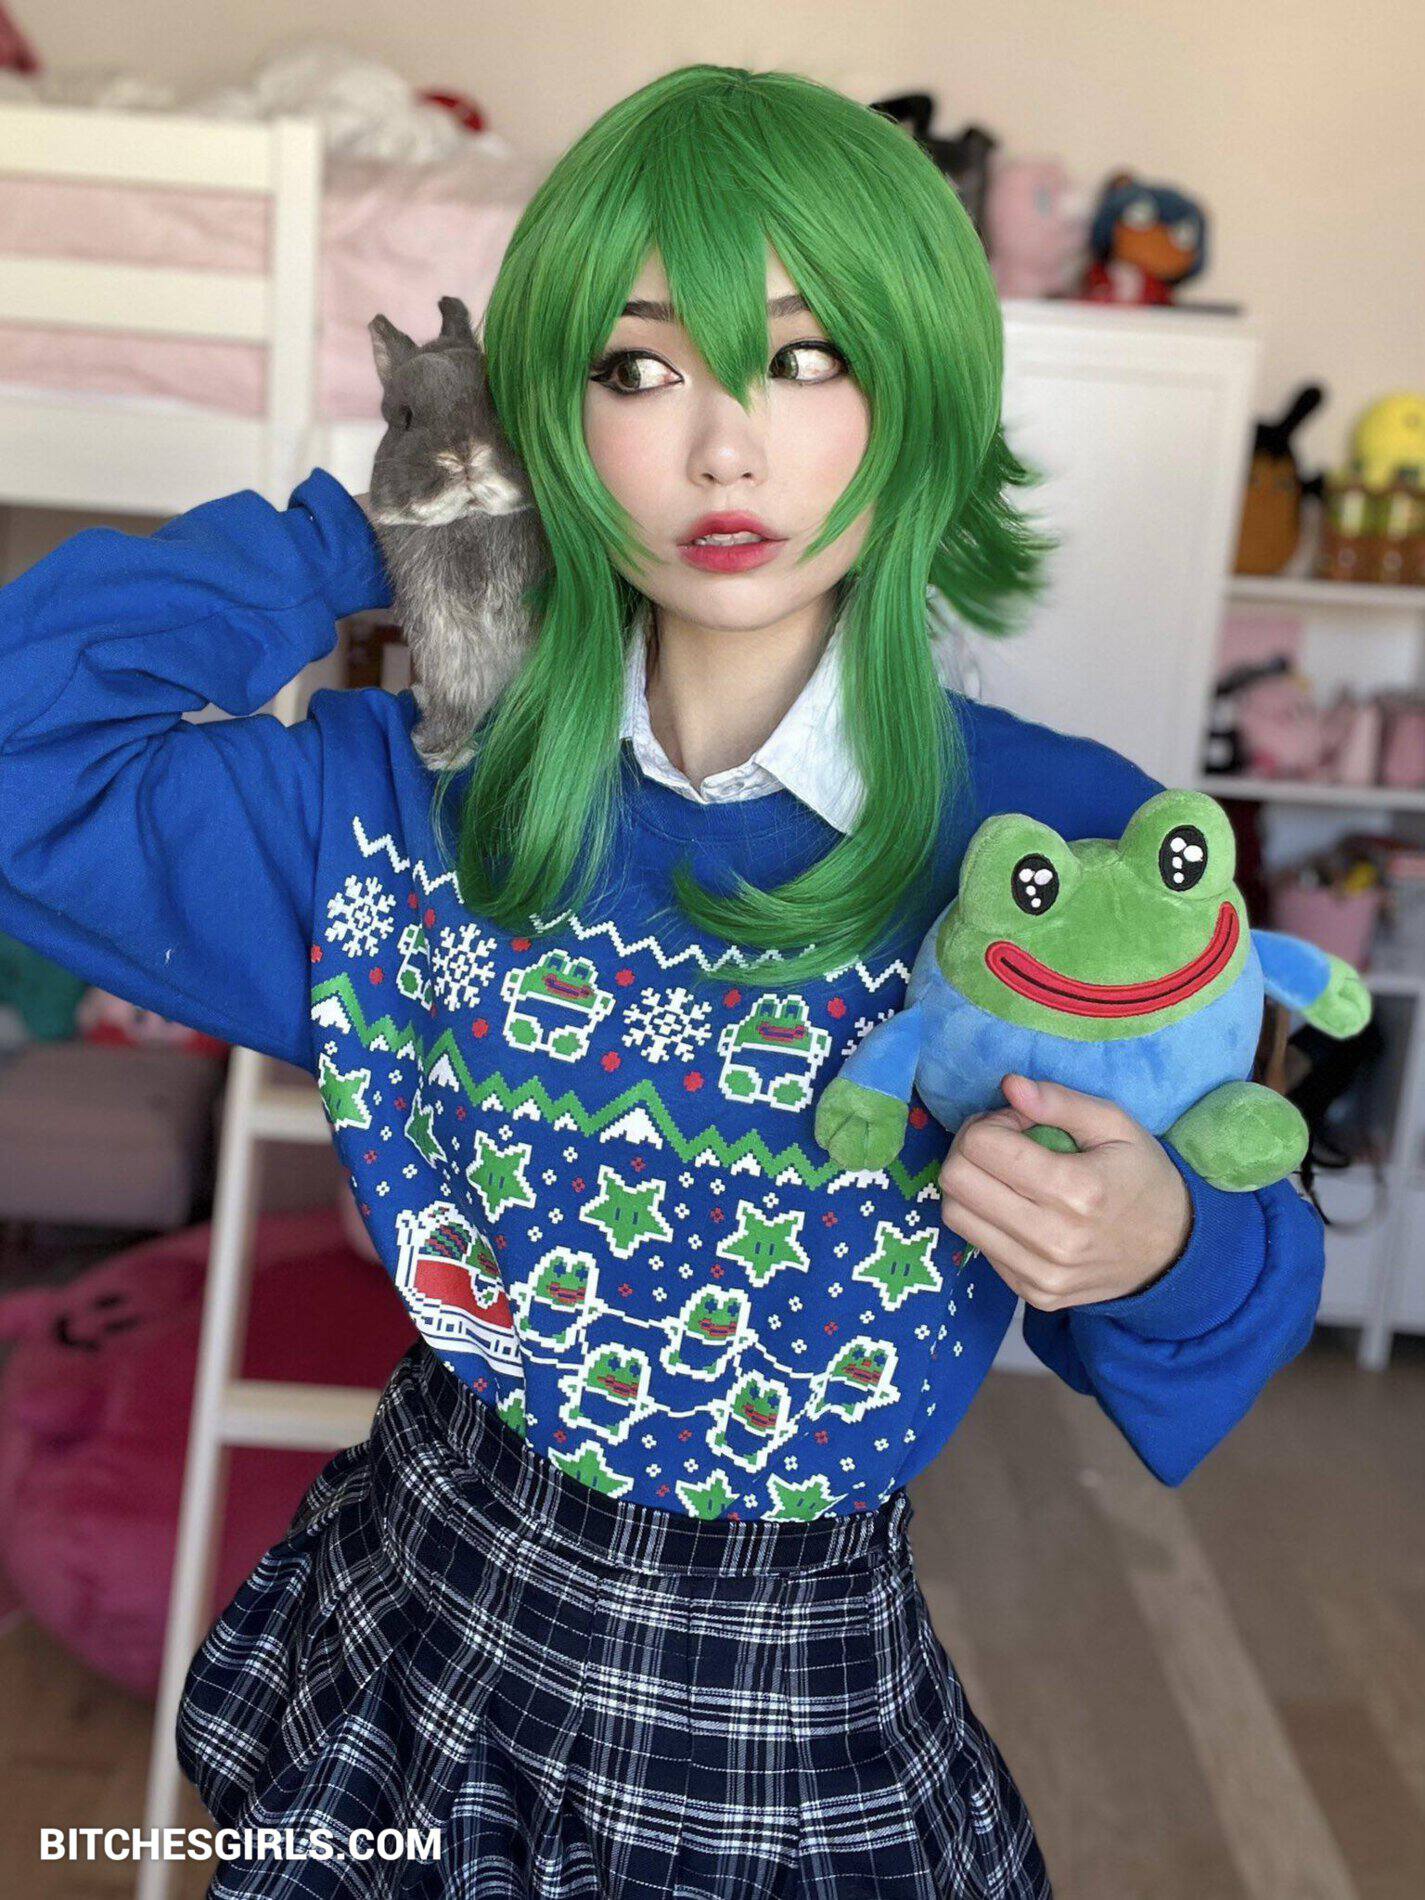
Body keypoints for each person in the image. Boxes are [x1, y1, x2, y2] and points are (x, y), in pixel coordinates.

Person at [0, 63, 1322, 1900]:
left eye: (805, 358)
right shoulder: (392, 812)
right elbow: (26, 743)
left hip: (779, 1721)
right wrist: (376, 520)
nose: (723, 450)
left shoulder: (1058, 851)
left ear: (922, 397)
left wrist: (1158, 1237)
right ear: (549, 417)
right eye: (634, 370)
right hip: (415, 1632)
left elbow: (1236, 1279)